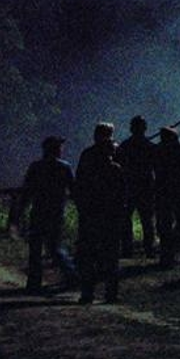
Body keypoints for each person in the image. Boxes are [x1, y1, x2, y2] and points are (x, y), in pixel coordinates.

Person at [71, 122, 126, 305]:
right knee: (110, 256)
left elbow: (78, 186)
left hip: (91, 213)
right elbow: (122, 195)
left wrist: (82, 208)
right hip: (109, 216)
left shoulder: (87, 156)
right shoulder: (116, 168)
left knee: (89, 255)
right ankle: (111, 293)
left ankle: (87, 293)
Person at [16, 135, 75, 291]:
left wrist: (19, 212)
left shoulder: (36, 167)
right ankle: (71, 275)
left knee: (35, 249)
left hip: (39, 211)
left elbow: (27, 192)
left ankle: (34, 282)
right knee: (54, 247)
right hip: (56, 212)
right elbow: (74, 190)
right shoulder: (64, 167)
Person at [120, 116, 156, 258]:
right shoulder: (150, 146)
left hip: (130, 186)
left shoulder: (125, 146)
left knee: (126, 219)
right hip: (145, 186)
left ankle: (127, 249)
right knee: (147, 219)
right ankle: (149, 249)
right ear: (144, 128)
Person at [153, 125, 180, 264]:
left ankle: (166, 256)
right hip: (178, 191)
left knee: (164, 224)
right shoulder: (179, 151)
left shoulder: (157, 151)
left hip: (162, 191)